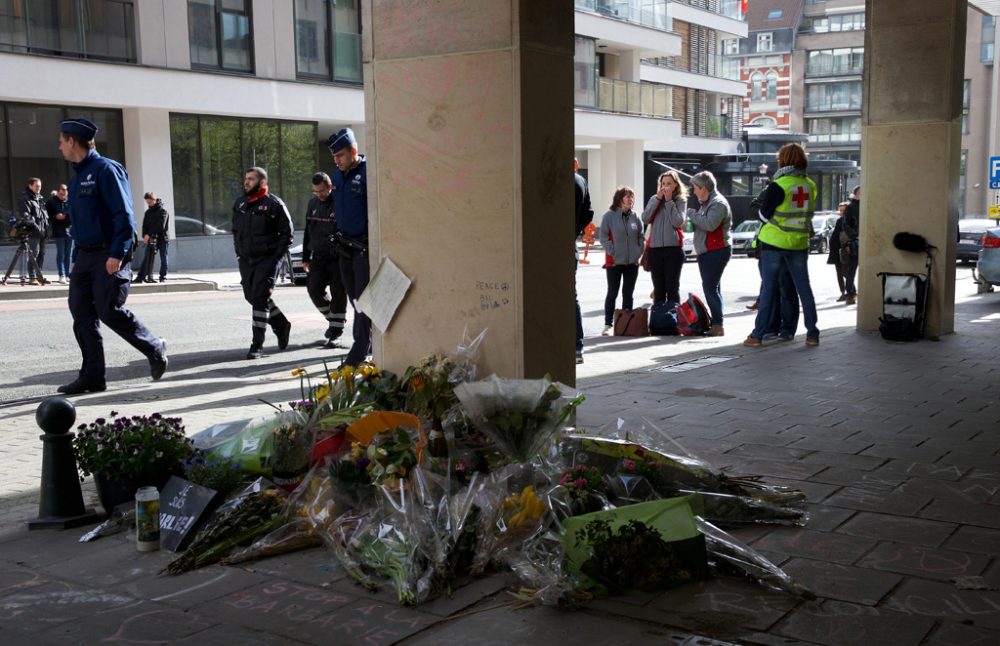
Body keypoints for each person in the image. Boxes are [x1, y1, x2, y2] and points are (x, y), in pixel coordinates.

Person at [56, 118, 167, 394]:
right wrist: (75, 256)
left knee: (109, 310)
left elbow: (124, 214)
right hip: (84, 256)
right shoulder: (77, 176)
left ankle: (154, 346)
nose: (59, 147)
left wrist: (117, 253)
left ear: (72, 141)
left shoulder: (106, 169)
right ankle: (93, 376)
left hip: (108, 252)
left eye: (61, 141)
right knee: (81, 314)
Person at [744, 143, 820, 347]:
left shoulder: (780, 184)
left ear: (783, 160)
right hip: (799, 243)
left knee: (768, 289)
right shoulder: (810, 185)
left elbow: (762, 214)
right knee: (804, 288)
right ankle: (812, 333)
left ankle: (757, 335)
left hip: (774, 243)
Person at [232, 167, 294, 359]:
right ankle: (281, 324)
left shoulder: (273, 204)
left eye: (251, 179)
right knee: (251, 296)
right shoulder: (240, 204)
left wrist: (276, 257)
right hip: (246, 260)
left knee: (259, 298)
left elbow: (287, 234)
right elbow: (236, 230)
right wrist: (239, 253)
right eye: (246, 178)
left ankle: (257, 345)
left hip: (267, 260)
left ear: (262, 182)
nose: (246, 182)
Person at [327, 127, 371, 367]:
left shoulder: (366, 172)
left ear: (353, 151)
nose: (337, 160)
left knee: (363, 300)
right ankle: (368, 342)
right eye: (334, 157)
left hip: (363, 247)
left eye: (340, 156)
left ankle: (358, 351)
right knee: (355, 298)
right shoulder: (337, 176)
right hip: (344, 247)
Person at [302, 171, 348, 349]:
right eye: (315, 191)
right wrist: (306, 257)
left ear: (329, 187)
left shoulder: (339, 203)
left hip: (336, 257)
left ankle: (336, 333)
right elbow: (308, 231)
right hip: (318, 257)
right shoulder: (312, 203)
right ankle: (335, 320)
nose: (319, 195)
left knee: (338, 293)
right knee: (314, 290)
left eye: (321, 191)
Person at [688, 171, 732, 337]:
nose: (694, 192)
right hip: (709, 251)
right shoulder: (707, 202)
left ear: (704, 188)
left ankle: (718, 325)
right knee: (714, 287)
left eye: (696, 188)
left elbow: (710, 224)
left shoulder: (718, 203)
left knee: (709, 287)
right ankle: (717, 322)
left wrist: (692, 214)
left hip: (716, 251)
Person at [598, 186, 643, 336]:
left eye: (632, 197)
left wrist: (638, 252)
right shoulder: (609, 216)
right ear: (619, 199)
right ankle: (608, 324)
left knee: (628, 293)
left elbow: (640, 237)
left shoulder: (635, 217)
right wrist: (614, 252)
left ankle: (625, 324)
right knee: (612, 293)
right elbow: (603, 237)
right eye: (628, 197)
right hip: (615, 263)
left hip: (632, 263)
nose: (631, 200)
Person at [642, 170, 688, 305]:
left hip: (673, 250)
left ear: (675, 185)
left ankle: (674, 320)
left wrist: (668, 201)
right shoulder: (654, 199)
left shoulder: (680, 200)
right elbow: (645, 218)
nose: (665, 186)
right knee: (659, 288)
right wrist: (657, 199)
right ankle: (659, 320)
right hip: (655, 249)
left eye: (669, 183)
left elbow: (678, 221)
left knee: (672, 287)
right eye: (663, 183)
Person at [574, 159, 593, 363]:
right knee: (572, 297)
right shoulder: (580, 181)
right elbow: (588, 213)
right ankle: (577, 347)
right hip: (570, 245)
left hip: (548, 245)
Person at [19, 178, 48, 284]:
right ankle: (32, 277)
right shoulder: (25, 198)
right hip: (33, 232)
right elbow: (26, 216)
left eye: (40, 186)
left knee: (42, 254)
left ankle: (38, 275)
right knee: (33, 254)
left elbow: (43, 215)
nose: (39, 188)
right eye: (36, 186)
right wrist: (37, 228)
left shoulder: (40, 198)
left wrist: (44, 229)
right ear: (30, 186)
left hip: (43, 231)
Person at [136, 192, 170, 283]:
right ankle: (140, 277)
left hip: (162, 239)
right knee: (146, 257)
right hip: (151, 238)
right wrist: (145, 236)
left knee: (164, 258)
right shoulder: (148, 212)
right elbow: (145, 226)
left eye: (150, 202)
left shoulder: (163, 212)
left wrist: (148, 234)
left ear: (154, 200)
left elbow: (160, 226)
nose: (149, 204)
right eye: (147, 202)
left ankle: (163, 277)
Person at [45, 184, 72, 284]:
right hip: (58, 230)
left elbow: (74, 214)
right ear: (58, 192)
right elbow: (46, 215)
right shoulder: (52, 202)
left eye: (64, 195)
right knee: (61, 254)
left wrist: (66, 216)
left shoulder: (70, 201)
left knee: (68, 254)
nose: (63, 196)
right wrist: (55, 217)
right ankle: (62, 274)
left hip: (69, 231)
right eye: (61, 194)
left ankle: (67, 274)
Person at [827, 201, 850, 302]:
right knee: (839, 273)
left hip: (844, 250)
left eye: (844, 210)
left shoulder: (850, 221)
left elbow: (848, 235)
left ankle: (851, 292)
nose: (841, 212)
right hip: (836, 251)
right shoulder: (839, 220)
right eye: (840, 210)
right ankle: (843, 293)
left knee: (845, 272)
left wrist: (847, 246)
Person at [842, 186, 860, 305]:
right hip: (856, 242)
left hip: (864, 241)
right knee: (852, 270)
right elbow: (846, 225)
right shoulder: (851, 207)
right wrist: (855, 236)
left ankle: (852, 293)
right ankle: (850, 293)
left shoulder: (868, 204)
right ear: (857, 194)